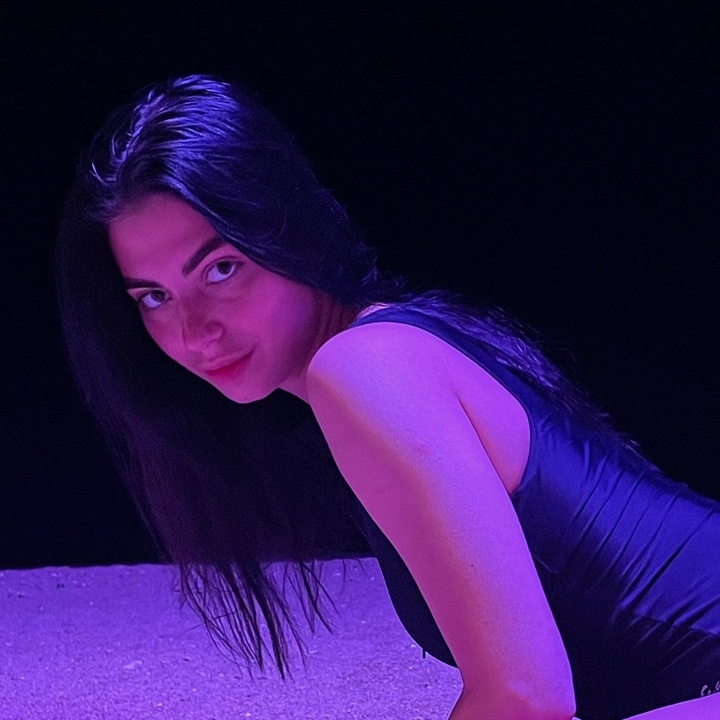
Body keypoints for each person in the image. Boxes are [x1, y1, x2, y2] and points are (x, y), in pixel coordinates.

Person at [55, 74, 720, 720]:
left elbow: (525, 697)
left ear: (285, 229)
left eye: (221, 269)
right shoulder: (387, 345)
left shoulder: (365, 368)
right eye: (154, 297)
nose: (194, 331)